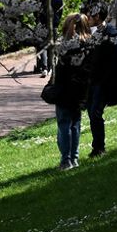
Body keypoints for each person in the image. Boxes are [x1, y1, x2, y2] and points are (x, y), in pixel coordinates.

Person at [84, 14, 117, 158]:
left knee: (95, 112)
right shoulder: (92, 33)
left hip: (104, 80)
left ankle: (99, 147)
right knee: (91, 112)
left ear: (97, 16)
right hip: (92, 80)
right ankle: (97, 146)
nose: (87, 18)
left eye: (90, 15)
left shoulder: (112, 33)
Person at [50, 14, 93, 169]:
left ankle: (66, 159)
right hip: (81, 89)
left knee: (64, 124)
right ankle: (73, 158)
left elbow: (59, 57)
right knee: (75, 124)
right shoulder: (89, 42)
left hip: (65, 89)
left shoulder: (66, 44)